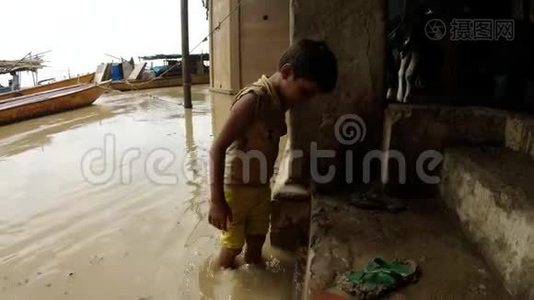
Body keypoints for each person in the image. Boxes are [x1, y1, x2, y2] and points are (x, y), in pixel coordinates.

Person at [208, 39, 338, 269]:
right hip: (235, 190)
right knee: (232, 247)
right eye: (306, 91)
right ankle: (217, 282)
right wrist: (217, 201)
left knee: (257, 241)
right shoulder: (252, 100)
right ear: (287, 72)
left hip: (260, 188)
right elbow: (217, 148)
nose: (307, 99)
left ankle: (254, 283)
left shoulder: (281, 102)